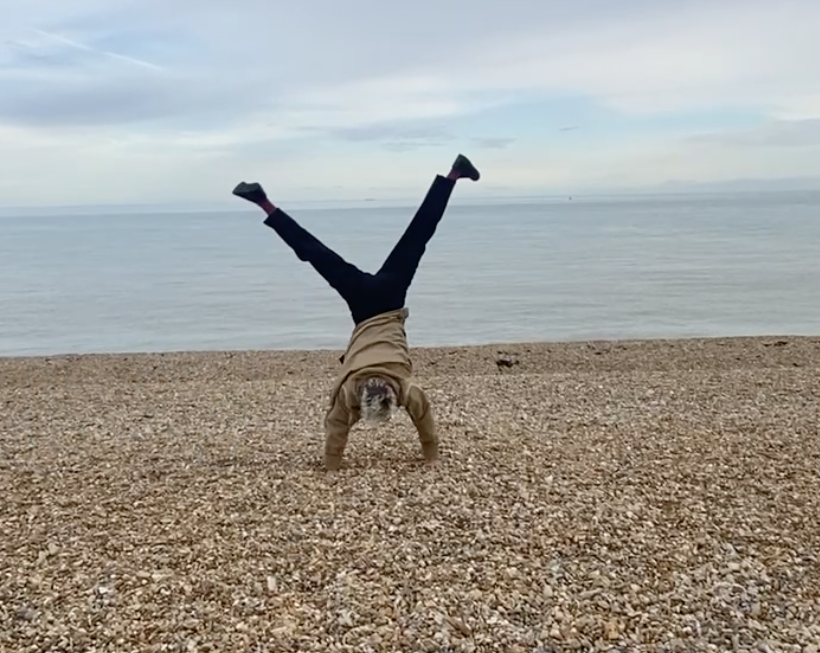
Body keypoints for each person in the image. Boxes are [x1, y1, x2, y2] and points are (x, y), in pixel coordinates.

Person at [232, 154, 480, 471]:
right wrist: (332, 465)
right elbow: (337, 426)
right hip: (363, 304)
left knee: (417, 235)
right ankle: (263, 202)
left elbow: (420, 417)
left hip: (389, 297)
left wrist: (333, 469)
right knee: (316, 253)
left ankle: (454, 173)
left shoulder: (404, 388)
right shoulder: (352, 390)